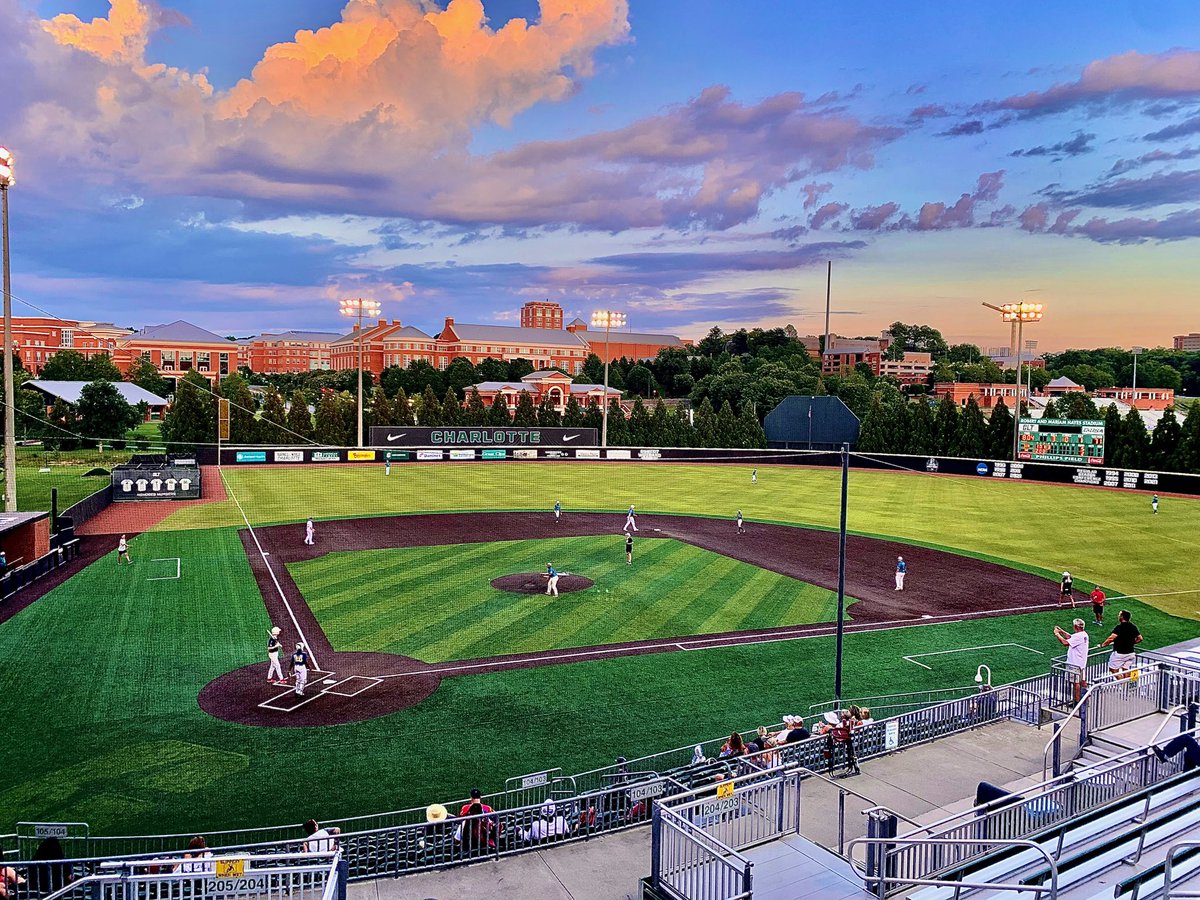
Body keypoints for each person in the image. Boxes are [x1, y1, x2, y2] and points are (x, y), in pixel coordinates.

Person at [1054, 618, 1089, 704]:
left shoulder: (1078, 636)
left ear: (1075, 626)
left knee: (1075, 683)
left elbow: (1065, 643)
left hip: (1074, 664)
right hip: (1081, 663)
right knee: (1082, 681)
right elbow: (1071, 637)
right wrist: (1062, 631)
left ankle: (1077, 701)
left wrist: (1057, 634)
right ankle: (1086, 697)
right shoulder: (1084, 634)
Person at [1099, 609, 1143, 677]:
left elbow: (1111, 638)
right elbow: (1140, 638)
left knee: (1113, 669)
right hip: (1131, 653)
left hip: (1120, 654)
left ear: (1122, 617)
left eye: (1119, 615)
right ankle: (1126, 686)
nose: (1118, 616)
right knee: (1126, 669)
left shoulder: (1119, 627)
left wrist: (1102, 645)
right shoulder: (1133, 627)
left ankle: (1121, 682)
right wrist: (1132, 643)